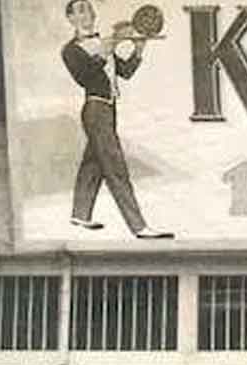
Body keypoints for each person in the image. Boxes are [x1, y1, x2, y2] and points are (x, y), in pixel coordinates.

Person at [61, 0, 173, 239]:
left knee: (93, 163)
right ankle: (139, 227)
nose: (87, 13)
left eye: (89, 8)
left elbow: (125, 72)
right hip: (95, 109)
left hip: (109, 109)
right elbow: (85, 77)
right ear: (70, 18)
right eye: (80, 10)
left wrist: (139, 48)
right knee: (116, 168)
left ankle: (80, 214)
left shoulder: (103, 43)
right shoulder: (70, 50)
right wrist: (106, 49)